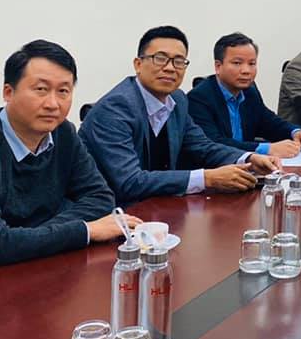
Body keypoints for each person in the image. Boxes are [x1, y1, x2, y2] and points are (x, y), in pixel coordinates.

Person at [0, 40, 136, 300]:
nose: (53, 103)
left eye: (63, 91)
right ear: (8, 92)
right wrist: (85, 231)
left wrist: (31, 238)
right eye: (41, 89)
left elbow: (100, 197)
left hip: (35, 270)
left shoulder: (63, 133)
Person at [80, 26, 280, 205]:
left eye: (178, 61)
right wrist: (207, 178)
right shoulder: (115, 109)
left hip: (162, 205)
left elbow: (203, 146)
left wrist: (248, 158)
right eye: (160, 58)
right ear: (138, 64)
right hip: (115, 213)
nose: (169, 68)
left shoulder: (177, 99)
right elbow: (129, 182)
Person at [188, 32, 301, 158]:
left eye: (252, 63)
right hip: (217, 169)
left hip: (248, 166)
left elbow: (268, 121)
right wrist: (266, 149)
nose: (246, 71)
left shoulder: (249, 91)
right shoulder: (199, 98)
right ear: (218, 66)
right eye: (237, 63)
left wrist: (295, 132)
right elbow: (213, 143)